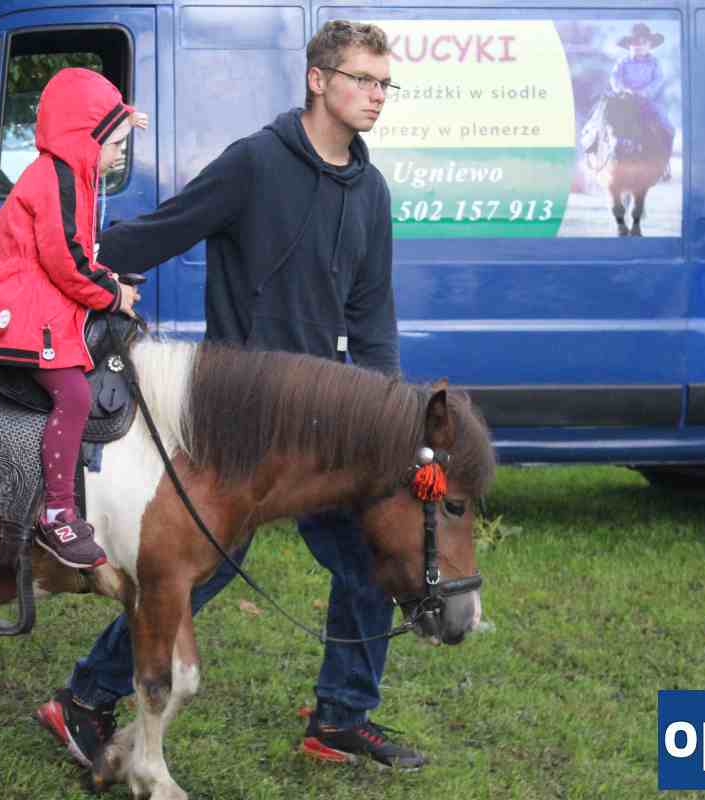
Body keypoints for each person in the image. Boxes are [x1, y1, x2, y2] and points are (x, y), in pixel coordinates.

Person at [36, 21, 428, 770]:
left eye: (385, 84)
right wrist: (61, 263)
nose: (377, 95)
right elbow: (162, 231)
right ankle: (84, 697)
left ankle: (342, 716)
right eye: (362, 79)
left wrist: (388, 419)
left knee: (369, 558)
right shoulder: (254, 163)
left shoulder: (371, 192)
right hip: (242, 422)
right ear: (318, 79)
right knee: (200, 570)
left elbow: (372, 319)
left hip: (327, 425)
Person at [0, 67, 144, 570]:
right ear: (85, 140)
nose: (119, 155)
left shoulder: (70, 173)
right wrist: (112, 295)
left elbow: (77, 253)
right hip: (25, 297)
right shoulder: (56, 179)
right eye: (114, 144)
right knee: (73, 394)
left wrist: (109, 280)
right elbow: (66, 262)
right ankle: (57, 514)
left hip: (42, 286)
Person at [609, 23, 674, 170]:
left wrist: (645, 91)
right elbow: (614, 77)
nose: (639, 46)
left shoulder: (654, 62)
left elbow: (658, 80)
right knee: (612, 121)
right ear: (629, 46)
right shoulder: (623, 62)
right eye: (635, 43)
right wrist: (623, 89)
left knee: (666, 126)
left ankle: (663, 160)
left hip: (648, 100)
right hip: (625, 100)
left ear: (650, 45)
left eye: (643, 43)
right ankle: (613, 153)